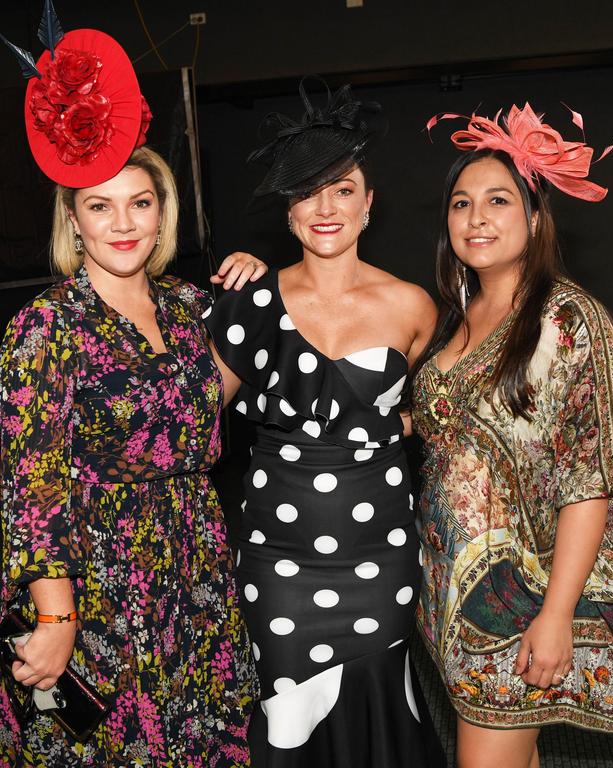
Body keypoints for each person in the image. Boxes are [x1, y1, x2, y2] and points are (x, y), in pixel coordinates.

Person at [0, 6, 266, 766]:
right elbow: (35, 487)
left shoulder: (187, 308)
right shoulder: (46, 327)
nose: (122, 223)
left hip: (193, 562)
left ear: (162, 211)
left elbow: (212, 400)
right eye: (99, 206)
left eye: (139, 203)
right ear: (73, 221)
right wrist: (57, 619)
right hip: (99, 579)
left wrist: (254, 283)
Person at [204, 81, 446, 767]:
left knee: (379, 703)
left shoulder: (413, 307)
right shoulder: (250, 302)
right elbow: (191, 421)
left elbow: (435, 413)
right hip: (277, 560)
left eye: (343, 189)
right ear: (288, 211)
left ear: (370, 204)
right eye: (308, 191)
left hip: (383, 554)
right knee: (288, 718)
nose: (325, 207)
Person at [411, 105, 613, 768]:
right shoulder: (457, 317)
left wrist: (558, 615)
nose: (476, 218)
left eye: (497, 200)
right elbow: (450, 431)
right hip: (452, 597)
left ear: (536, 217)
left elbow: (593, 477)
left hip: (525, 601)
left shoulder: (570, 322)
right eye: (461, 204)